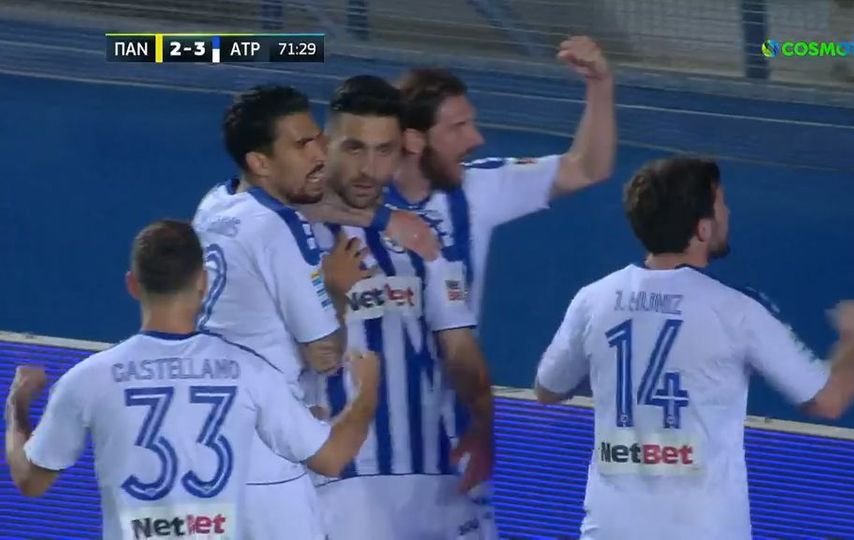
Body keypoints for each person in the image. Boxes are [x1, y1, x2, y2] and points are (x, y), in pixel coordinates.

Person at [533, 156, 854, 539]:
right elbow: (828, 400)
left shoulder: (592, 300)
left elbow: (547, 389)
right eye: (721, 204)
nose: (728, 213)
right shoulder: (738, 310)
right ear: (702, 229)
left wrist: (614, 373)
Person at [4, 219, 380, 540]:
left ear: (132, 285)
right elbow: (332, 458)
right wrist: (367, 389)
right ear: (203, 281)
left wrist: (17, 404)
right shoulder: (250, 372)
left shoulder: (87, 379)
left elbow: (30, 480)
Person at [302, 75, 494, 539]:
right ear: (325, 145)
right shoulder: (285, 234)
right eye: (354, 148)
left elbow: (459, 345)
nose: (368, 169)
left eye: (384, 151)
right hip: (343, 481)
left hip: (436, 473)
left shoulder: (424, 237)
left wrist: (483, 418)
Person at [192, 85, 375, 539]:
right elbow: (324, 356)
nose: (320, 154)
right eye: (302, 145)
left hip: (205, 445)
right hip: (266, 457)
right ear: (260, 162)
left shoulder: (215, 203)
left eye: (318, 138)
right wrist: (335, 289)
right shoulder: (279, 227)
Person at [391, 35, 616, 322]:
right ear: (413, 140)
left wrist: (599, 84)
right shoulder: (354, 202)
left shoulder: (479, 187)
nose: (476, 139)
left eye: (471, 123)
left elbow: (587, 169)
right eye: (458, 127)